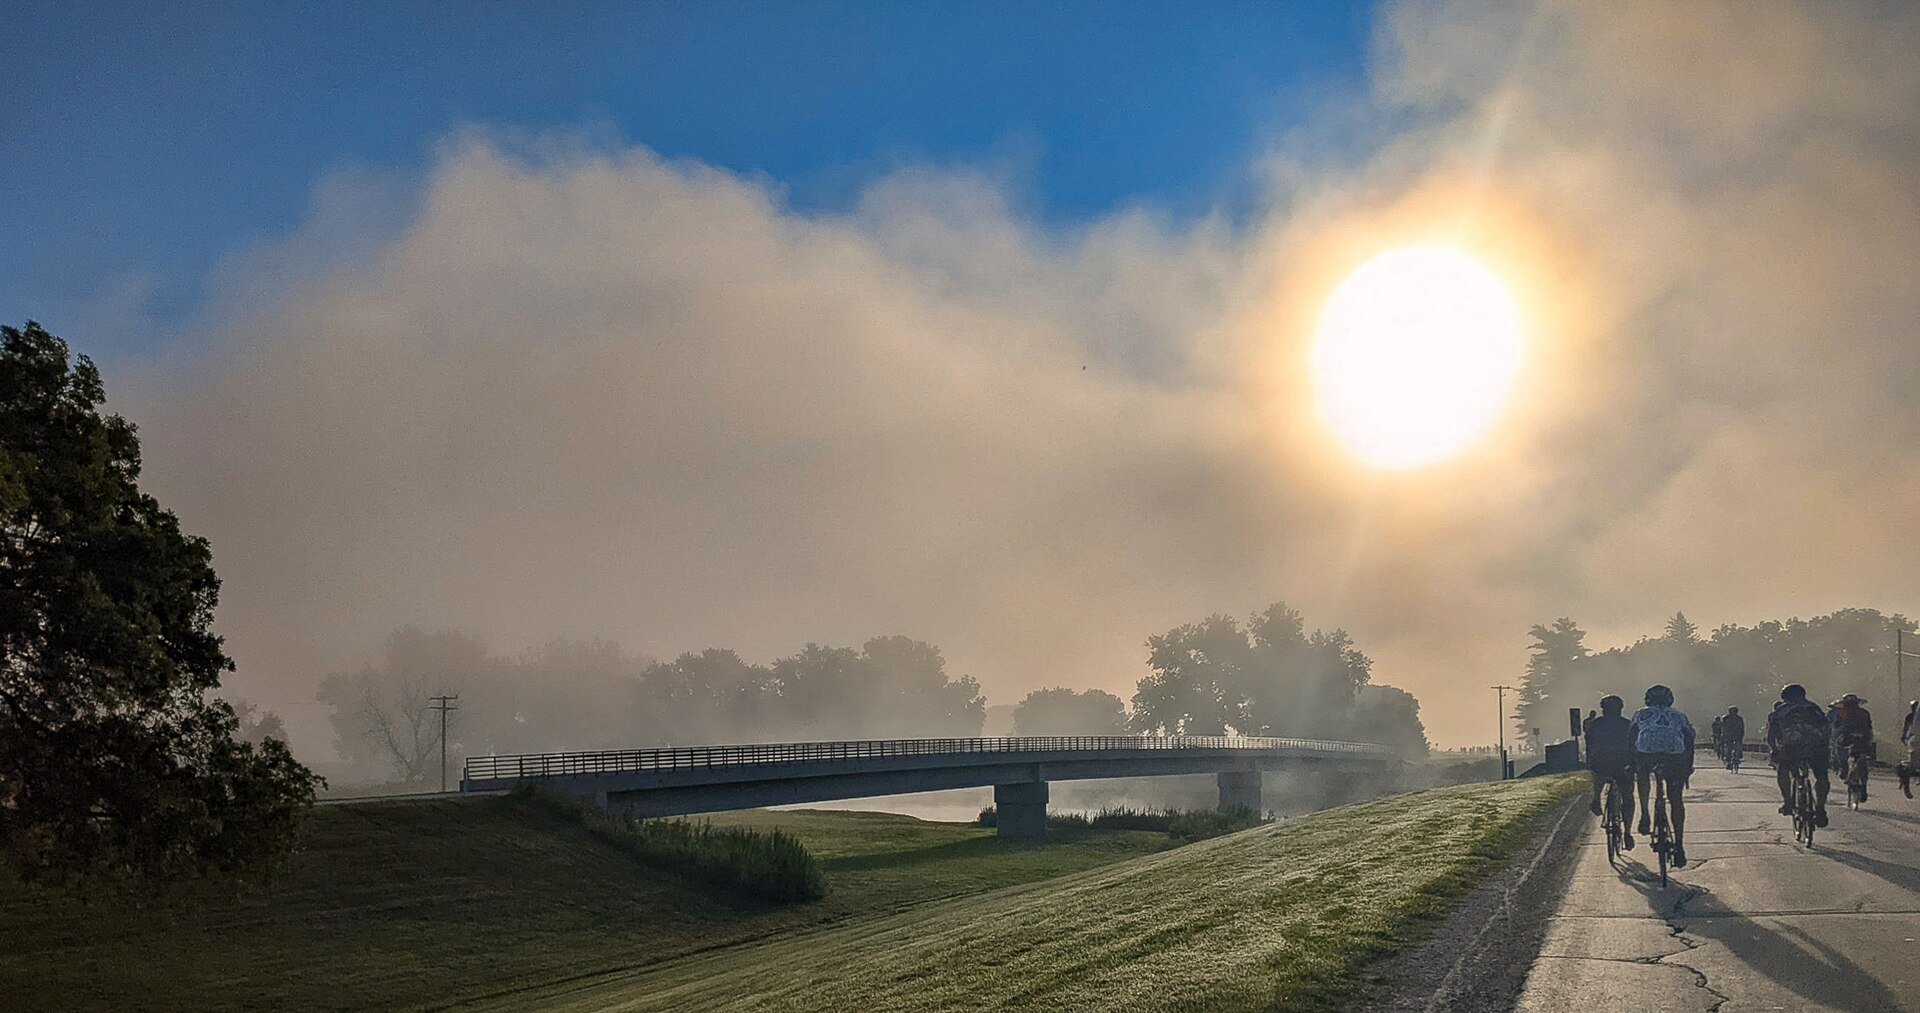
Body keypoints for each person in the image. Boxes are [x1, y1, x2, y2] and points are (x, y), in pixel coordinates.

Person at [1630, 684, 1694, 867]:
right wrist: (1688, 766)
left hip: (1646, 754)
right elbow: (1689, 740)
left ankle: (1644, 814)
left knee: (1642, 777)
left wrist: (1631, 763)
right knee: (1676, 800)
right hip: (1674, 757)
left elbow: (1631, 737)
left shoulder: (1640, 713)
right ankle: (1680, 846)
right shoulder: (1679, 716)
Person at [1768, 683, 1830, 826]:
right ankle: (1820, 807)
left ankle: (1788, 802)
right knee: (1822, 777)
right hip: (1816, 747)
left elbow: (1772, 734)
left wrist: (1775, 749)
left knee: (1783, 769)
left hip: (1792, 747)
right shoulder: (1815, 708)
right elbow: (1826, 728)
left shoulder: (1781, 710)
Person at [1586, 695, 1636, 849]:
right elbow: (1634, 746)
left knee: (1596, 772)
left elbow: (1590, 745)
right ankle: (1627, 832)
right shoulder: (1628, 724)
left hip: (1601, 764)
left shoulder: (1595, 725)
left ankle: (1596, 798)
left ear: (1603, 709)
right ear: (1620, 709)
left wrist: (1589, 761)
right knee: (1627, 798)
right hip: (1622, 765)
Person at [1830, 693, 1874, 801]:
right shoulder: (1864, 713)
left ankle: (1844, 768)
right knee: (1862, 760)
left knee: (1840, 749)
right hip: (1863, 738)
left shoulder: (1842, 713)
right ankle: (1863, 785)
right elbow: (1869, 728)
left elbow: (1836, 727)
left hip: (1848, 738)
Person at [1900, 700, 1920, 799]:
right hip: (1915, 739)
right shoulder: (1911, 717)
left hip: (1913, 739)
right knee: (1913, 763)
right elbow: (1910, 729)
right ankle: (1905, 780)